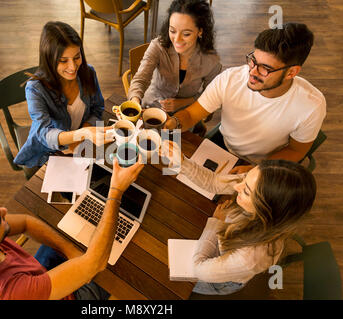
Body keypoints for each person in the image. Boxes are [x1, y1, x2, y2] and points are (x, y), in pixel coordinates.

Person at [0, 158, 144, 300]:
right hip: (66, 295)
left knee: (74, 239)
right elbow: (96, 263)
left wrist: (72, 253)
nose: (4, 211)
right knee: (122, 266)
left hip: (35, 275)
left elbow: (26, 222)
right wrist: (115, 193)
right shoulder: (7, 294)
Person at [165, 22, 326, 173]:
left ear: (291, 72)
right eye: (253, 61)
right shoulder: (231, 79)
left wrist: (256, 169)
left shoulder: (311, 105)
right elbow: (192, 114)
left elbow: (296, 150)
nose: (252, 72)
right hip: (223, 144)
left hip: (266, 163)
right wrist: (174, 124)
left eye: (265, 68)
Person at [160, 140, 316, 295]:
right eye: (245, 177)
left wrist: (216, 224)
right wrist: (182, 162)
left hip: (218, 280)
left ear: (267, 209)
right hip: (221, 247)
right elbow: (214, 182)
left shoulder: (251, 257)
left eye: (246, 191)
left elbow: (199, 270)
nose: (236, 187)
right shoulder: (260, 185)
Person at [14, 21, 113, 169]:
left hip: (83, 144)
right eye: (63, 61)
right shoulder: (35, 89)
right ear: (49, 59)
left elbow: (97, 108)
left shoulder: (89, 72)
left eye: (77, 57)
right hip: (49, 151)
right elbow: (43, 132)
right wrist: (82, 134)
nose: (73, 67)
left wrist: (83, 134)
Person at [127, 0, 221, 134]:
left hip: (185, 118)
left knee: (174, 152)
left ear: (200, 31)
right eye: (172, 31)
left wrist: (183, 103)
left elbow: (210, 97)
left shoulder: (211, 61)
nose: (177, 39)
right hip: (150, 108)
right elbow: (140, 80)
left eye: (186, 34)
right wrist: (135, 101)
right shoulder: (158, 46)